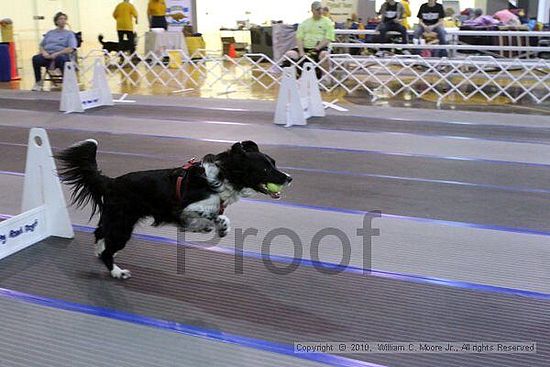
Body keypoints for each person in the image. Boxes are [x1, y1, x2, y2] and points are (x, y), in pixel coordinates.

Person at [282, 1, 335, 73]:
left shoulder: (328, 22)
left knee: (324, 55)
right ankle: (290, 77)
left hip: (320, 48)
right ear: (312, 10)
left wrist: (317, 48)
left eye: (321, 9)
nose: (320, 11)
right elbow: (299, 38)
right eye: (317, 9)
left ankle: (325, 77)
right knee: (289, 54)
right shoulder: (305, 22)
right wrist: (301, 52)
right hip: (305, 48)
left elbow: (328, 38)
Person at [31, 12, 77, 91]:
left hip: (61, 54)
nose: (63, 21)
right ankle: (38, 83)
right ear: (56, 21)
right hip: (48, 54)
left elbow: (71, 48)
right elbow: (41, 45)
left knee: (61, 59)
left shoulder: (69, 34)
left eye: (64, 19)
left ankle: (67, 84)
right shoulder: (50, 33)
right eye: (60, 19)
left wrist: (56, 54)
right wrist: (44, 52)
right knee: (35, 59)